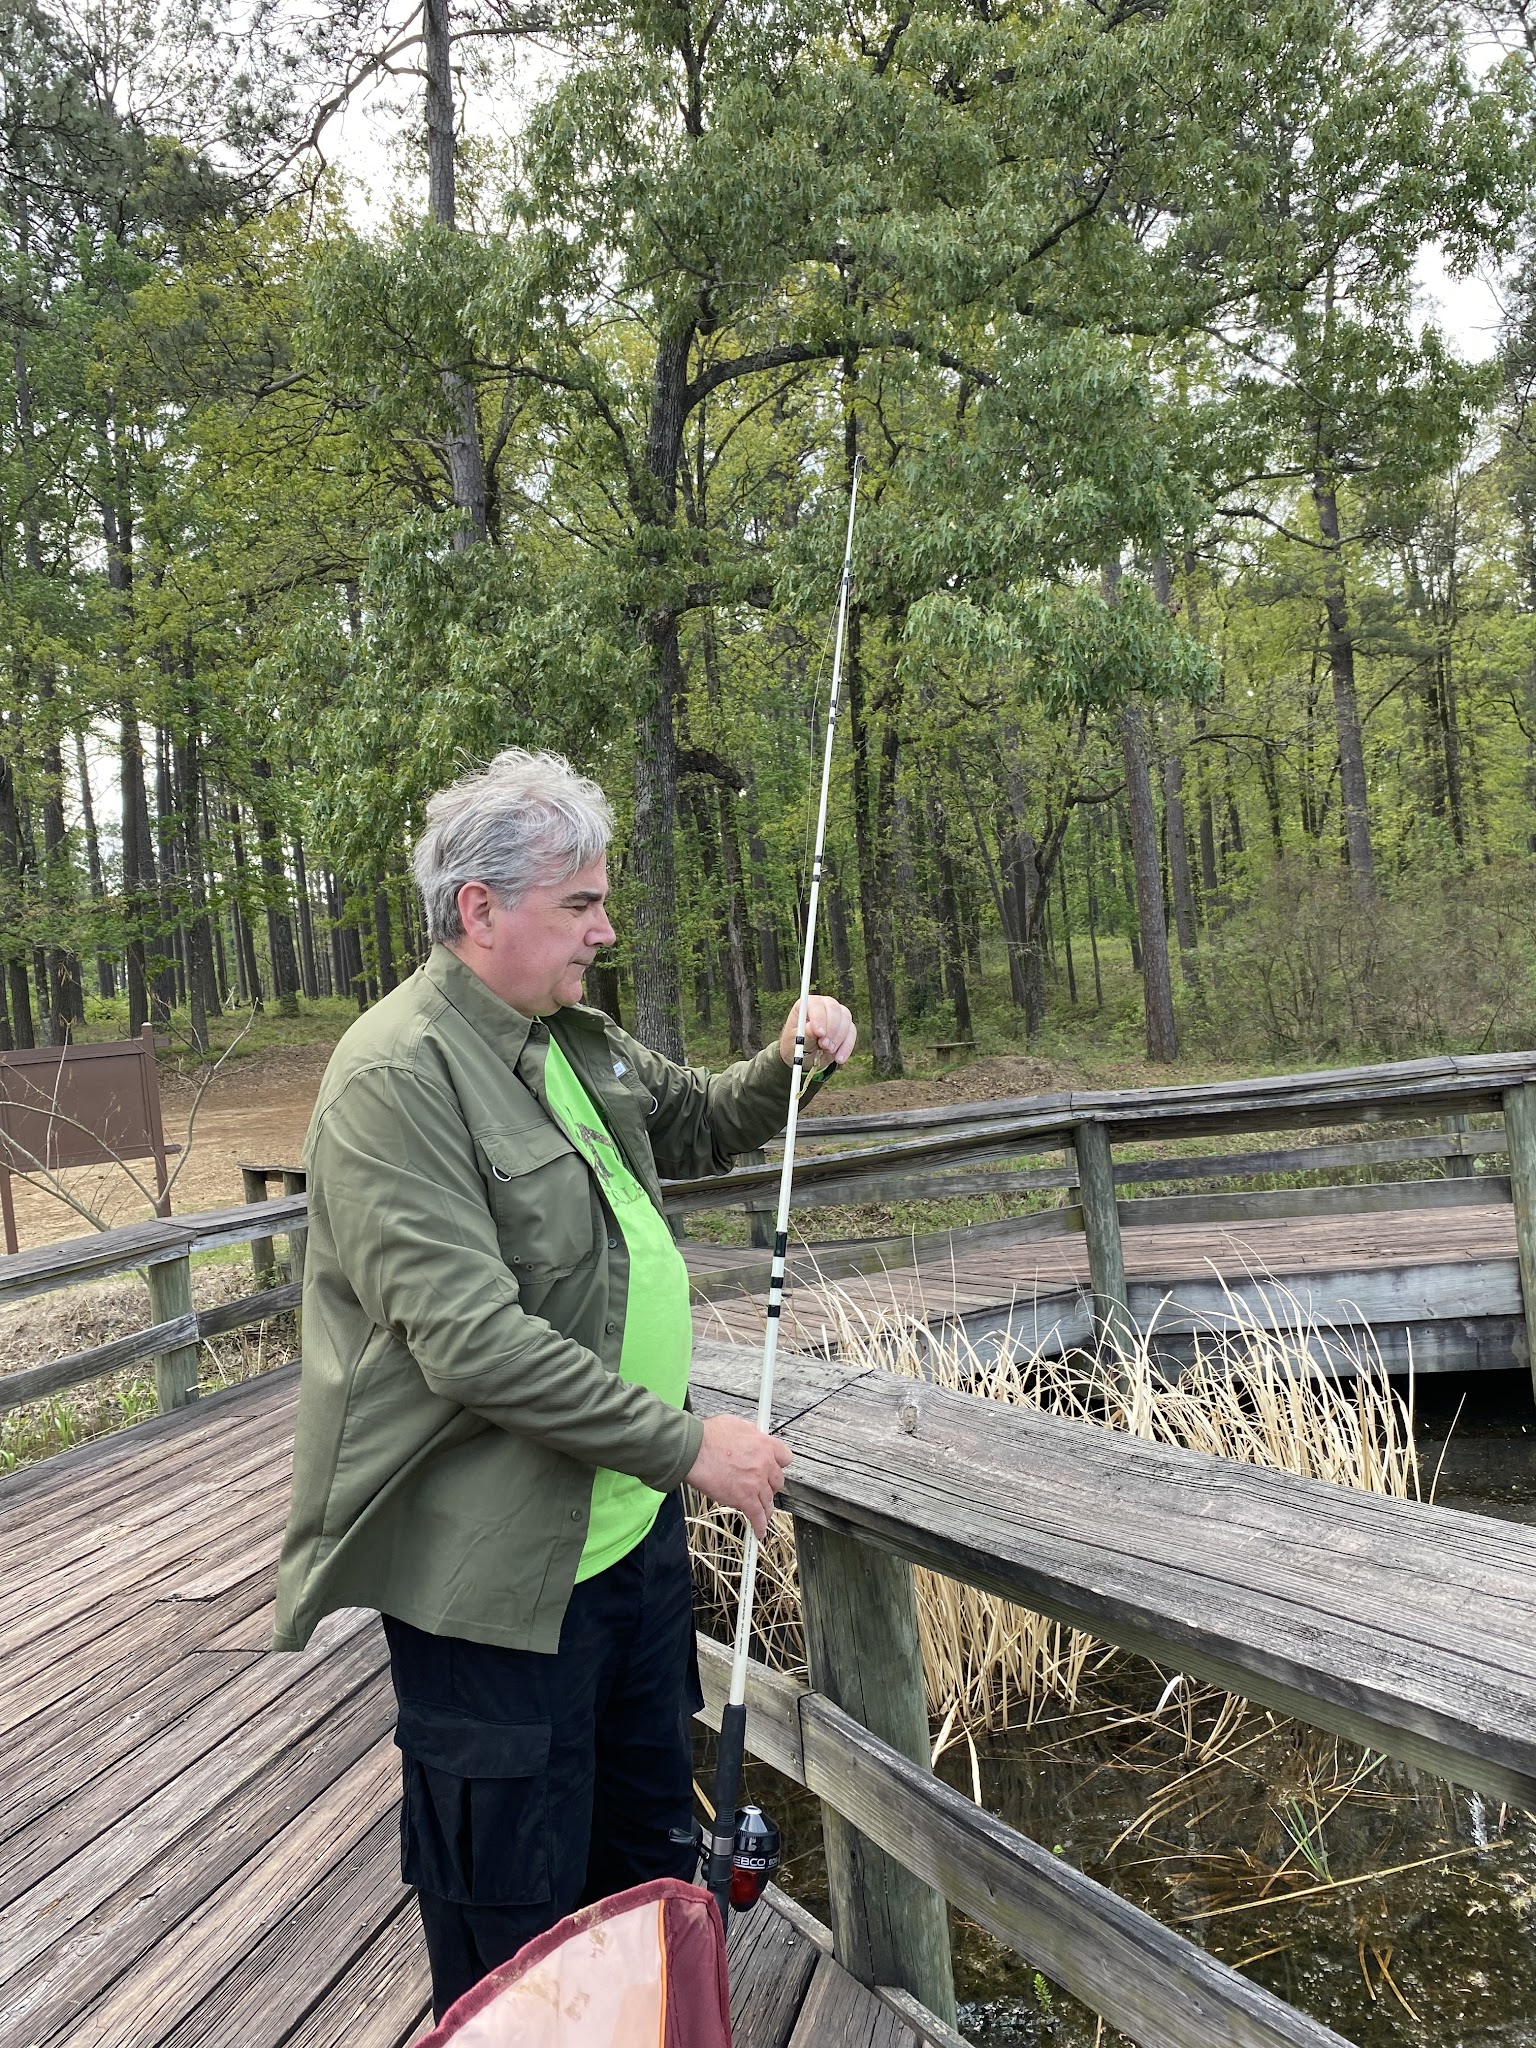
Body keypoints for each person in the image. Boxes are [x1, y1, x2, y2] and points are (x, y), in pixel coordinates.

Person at [272, 748, 855, 2020]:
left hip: (626, 1552)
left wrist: (792, 1058)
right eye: (580, 903)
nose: (606, 926)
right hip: (493, 1592)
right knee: (513, 1932)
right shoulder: (394, 1077)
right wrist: (693, 1446)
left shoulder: (568, 1039)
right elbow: (472, 1341)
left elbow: (696, 1117)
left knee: (640, 1871)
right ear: (480, 908)